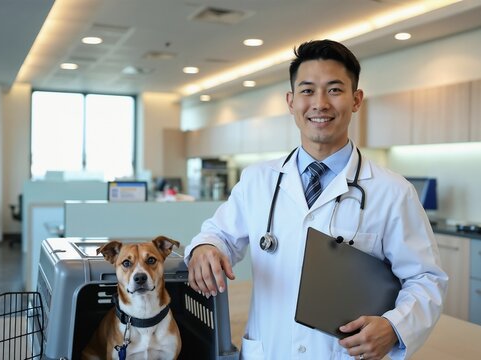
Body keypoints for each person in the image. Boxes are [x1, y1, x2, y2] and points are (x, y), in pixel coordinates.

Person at [185, 39, 447, 360]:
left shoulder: (392, 191)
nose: (320, 103)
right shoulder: (259, 180)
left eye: (334, 90)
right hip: (270, 350)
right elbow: (220, 235)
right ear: (291, 101)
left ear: (356, 100)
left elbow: (425, 278)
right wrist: (205, 248)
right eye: (307, 90)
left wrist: (394, 326)